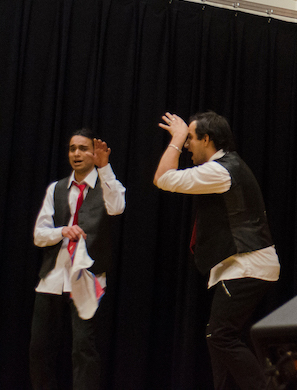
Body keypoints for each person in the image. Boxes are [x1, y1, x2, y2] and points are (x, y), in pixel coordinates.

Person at [154, 111, 279, 390]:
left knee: (220, 336)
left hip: (248, 265)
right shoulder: (226, 167)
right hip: (244, 264)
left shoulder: (220, 170)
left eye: (190, 139)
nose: (187, 146)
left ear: (207, 139)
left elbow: (163, 178)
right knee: (219, 340)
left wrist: (174, 138)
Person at [30, 129, 126, 390]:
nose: (76, 154)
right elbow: (39, 235)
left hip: (87, 277)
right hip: (52, 277)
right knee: (40, 349)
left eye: (83, 148)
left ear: (94, 153)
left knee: (83, 349)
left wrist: (105, 169)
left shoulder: (107, 185)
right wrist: (62, 230)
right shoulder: (57, 188)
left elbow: (117, 207)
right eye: (72, 148)